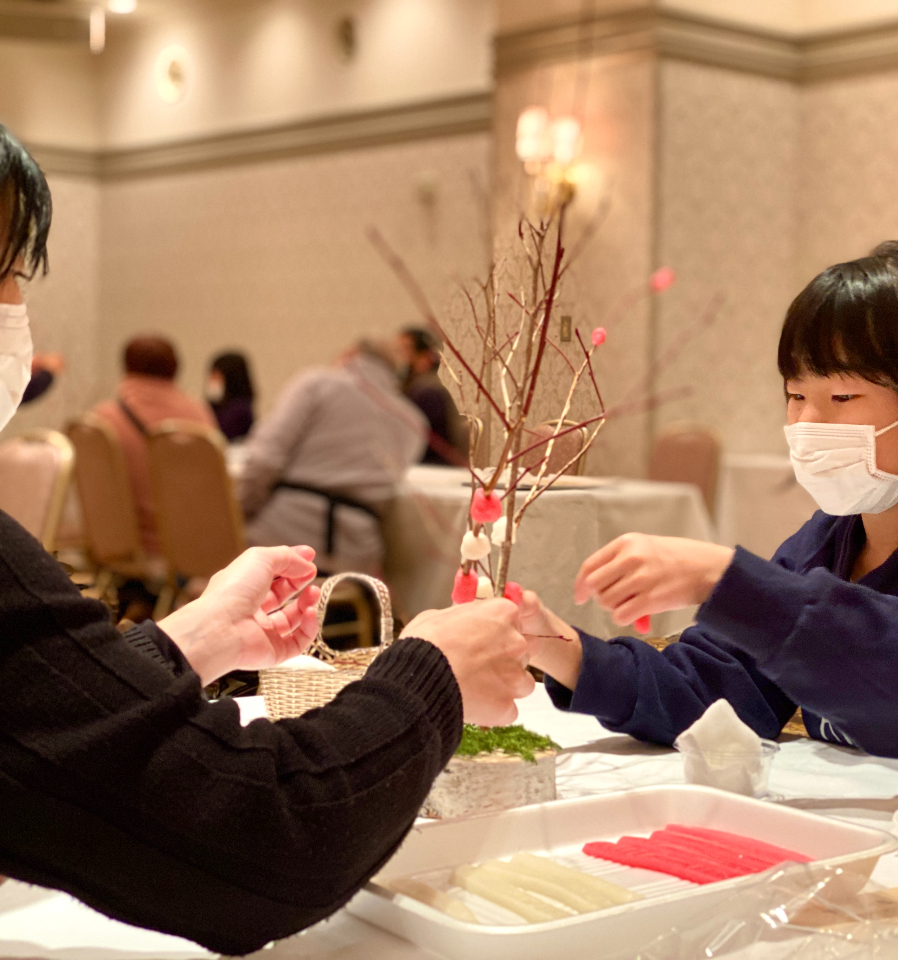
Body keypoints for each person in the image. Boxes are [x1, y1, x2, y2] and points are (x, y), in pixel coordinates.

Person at [0, 120, 539, 956]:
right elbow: (260, 832)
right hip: (351, 541)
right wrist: (433, 672)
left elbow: (38, 718)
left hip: (268, 529)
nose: (18, 307)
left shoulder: (284, 391)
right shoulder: (403, 413)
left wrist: (187, 640)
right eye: (8, 274)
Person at [522, 242, 898, 796]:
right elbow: (714, 690)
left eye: (841, 399)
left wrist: (726, 580)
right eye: (795, 395)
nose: (806, 424)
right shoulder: (825, 544)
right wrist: (562, 650)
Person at [238, 340, 426, 574]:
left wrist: (240, 514)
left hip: (279, 540)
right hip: (355, 558)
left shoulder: (316, 383)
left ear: (350, 354)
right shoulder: (414, 422)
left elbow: (264, 459)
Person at [92, 335, 218, 556]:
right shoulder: (200, 414)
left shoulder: (102, 421)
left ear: (127, 367)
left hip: (126, 547)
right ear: (175, 368)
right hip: (195, 546)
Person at [397, 326, 469, 465]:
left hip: (432, 465)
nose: (401, 357)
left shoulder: (428, 392)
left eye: (406, 349)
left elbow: (418, 438)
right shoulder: (413, 387)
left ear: (426, 357)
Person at [206, 350, 255, 441]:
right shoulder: (216, 407)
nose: (211, 379)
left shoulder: (240, 410)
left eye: (216, 375)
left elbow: (218, 437)